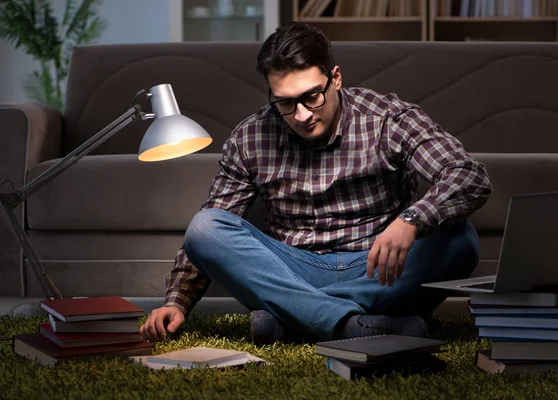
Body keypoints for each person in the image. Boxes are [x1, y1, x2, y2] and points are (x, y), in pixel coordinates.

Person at [139, 22, 492, 344]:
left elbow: (468, 175)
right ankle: (355, 324)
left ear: (335, 77)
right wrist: (177, 302)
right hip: (293, 271)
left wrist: (410, 221)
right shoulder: (250, 137)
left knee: (460, 239)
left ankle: (292, 320)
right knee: (204, 228)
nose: (303, 115)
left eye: (312, 96)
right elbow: (213, 231)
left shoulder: (388, 118)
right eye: (285, 103)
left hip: (378, 269)